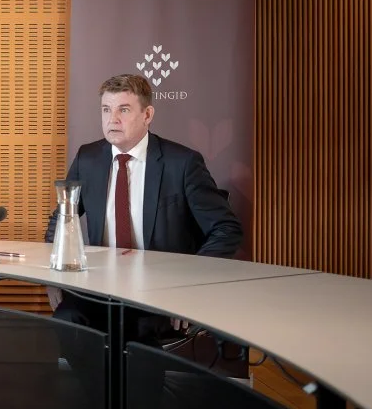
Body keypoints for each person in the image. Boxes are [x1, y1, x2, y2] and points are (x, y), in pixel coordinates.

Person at [45, 73, 243, 332]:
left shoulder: (182, 163)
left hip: (162, 291)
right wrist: (54, 278)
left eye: (124, 110)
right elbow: (62, 219)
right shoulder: (88, 158)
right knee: (66, 321)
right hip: (100, 287)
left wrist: (192, 286)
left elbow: (226, 229)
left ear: (147, 115)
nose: (112, 119)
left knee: (139, 339)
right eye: (106, 109)